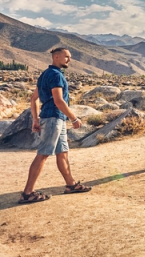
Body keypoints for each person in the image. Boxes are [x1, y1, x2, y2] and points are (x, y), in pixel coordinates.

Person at [19, 47, 92, 203]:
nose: (69, 60)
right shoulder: (56, 75)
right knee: (43, 154)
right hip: (53, 119)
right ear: (56, 57)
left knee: (63, 152)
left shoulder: (45, 74)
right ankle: (27, 193)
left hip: (52, 118)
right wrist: (74, 118)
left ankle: (71, 185)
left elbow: (33, 99)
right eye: (67, 57)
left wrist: (36, 119)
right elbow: (59, 101)